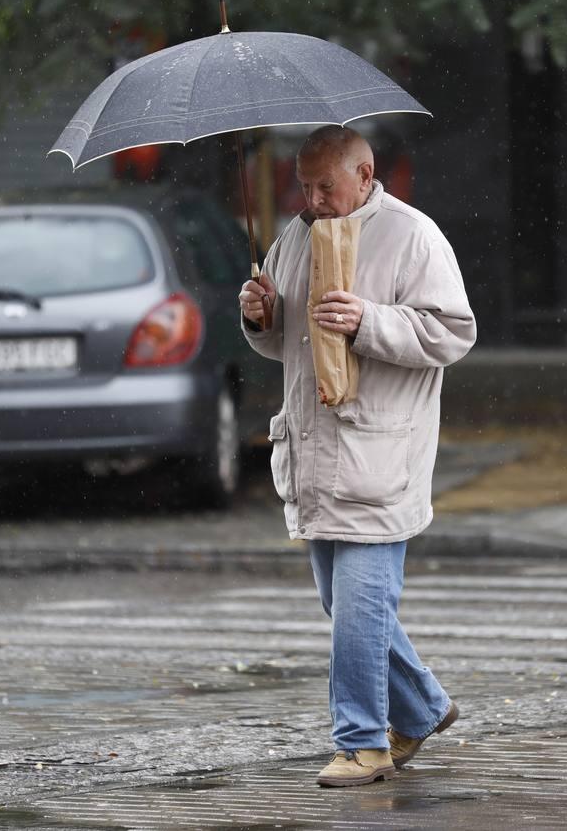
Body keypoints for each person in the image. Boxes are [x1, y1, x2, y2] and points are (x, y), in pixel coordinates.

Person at [238, 126, 476, 787]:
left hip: (378, 453)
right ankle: (424, 707)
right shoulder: (293, 235)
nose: (311, 198)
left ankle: (362, 743)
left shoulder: (412, 235)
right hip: (313, 453)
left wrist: (369, 321)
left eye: (325, 186)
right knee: (340, 605)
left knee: (360, 611)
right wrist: (261, 315)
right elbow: (283, 345)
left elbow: (453, 332)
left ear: (366, 175)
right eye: (302, 185)